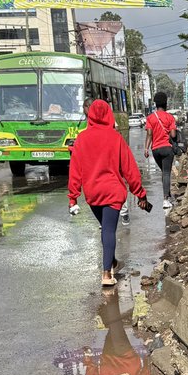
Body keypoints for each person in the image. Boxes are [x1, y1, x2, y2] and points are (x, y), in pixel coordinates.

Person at [68, 99, 149, 288]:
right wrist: (140, 193)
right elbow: (129, 169)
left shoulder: (82, 139)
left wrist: (73, 198)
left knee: (106, 230)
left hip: (92, 194)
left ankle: (112, 263)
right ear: (108, 114)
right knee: (109, 230)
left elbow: (75, 170)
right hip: (112, 192)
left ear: (90, 115)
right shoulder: (115, 138)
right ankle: (106, 274)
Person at [144, 91, 177, 209]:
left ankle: (168, 195)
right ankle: (165, 199)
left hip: (155, 150)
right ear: (165, 103)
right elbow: (173, 135)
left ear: (155, 104)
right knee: (167, 172)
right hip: (167, 148)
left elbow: (149, 134)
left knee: (164, 171)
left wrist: (146, 148)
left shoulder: (150, 118)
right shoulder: (170, 117)